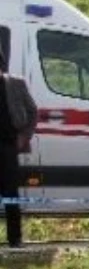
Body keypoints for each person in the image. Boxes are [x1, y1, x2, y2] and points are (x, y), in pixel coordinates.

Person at [0, 57, 37, 249]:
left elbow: (33, 112)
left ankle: (15, 238)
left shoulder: (16, 83)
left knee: (10, 193)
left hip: (8, 147)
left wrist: (24, 136)